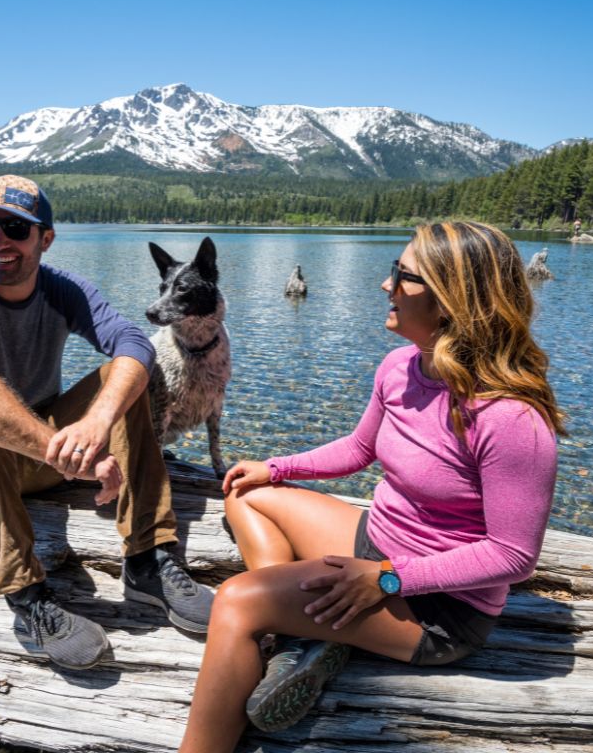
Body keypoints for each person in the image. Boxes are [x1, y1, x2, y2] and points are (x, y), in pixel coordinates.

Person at [178, 221, 563, 751]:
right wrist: (276, 467)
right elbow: (360, 449)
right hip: (377, 542)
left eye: (404, 276)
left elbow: (513, 556)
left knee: (239, 601)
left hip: (439, 606)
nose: (386, 285)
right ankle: (305, 634)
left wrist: (385, 580)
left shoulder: (510, 417)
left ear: (454, 299)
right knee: (247, 494)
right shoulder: (401, 366)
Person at [0, 175, 213, 671]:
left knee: (127, 375)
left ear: (45, 239)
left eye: (15, 228)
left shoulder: (63, 290)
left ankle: (148, 559)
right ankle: (27, 598)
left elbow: (133, 343)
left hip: (41, 457)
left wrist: (97, 423)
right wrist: (75, 453)